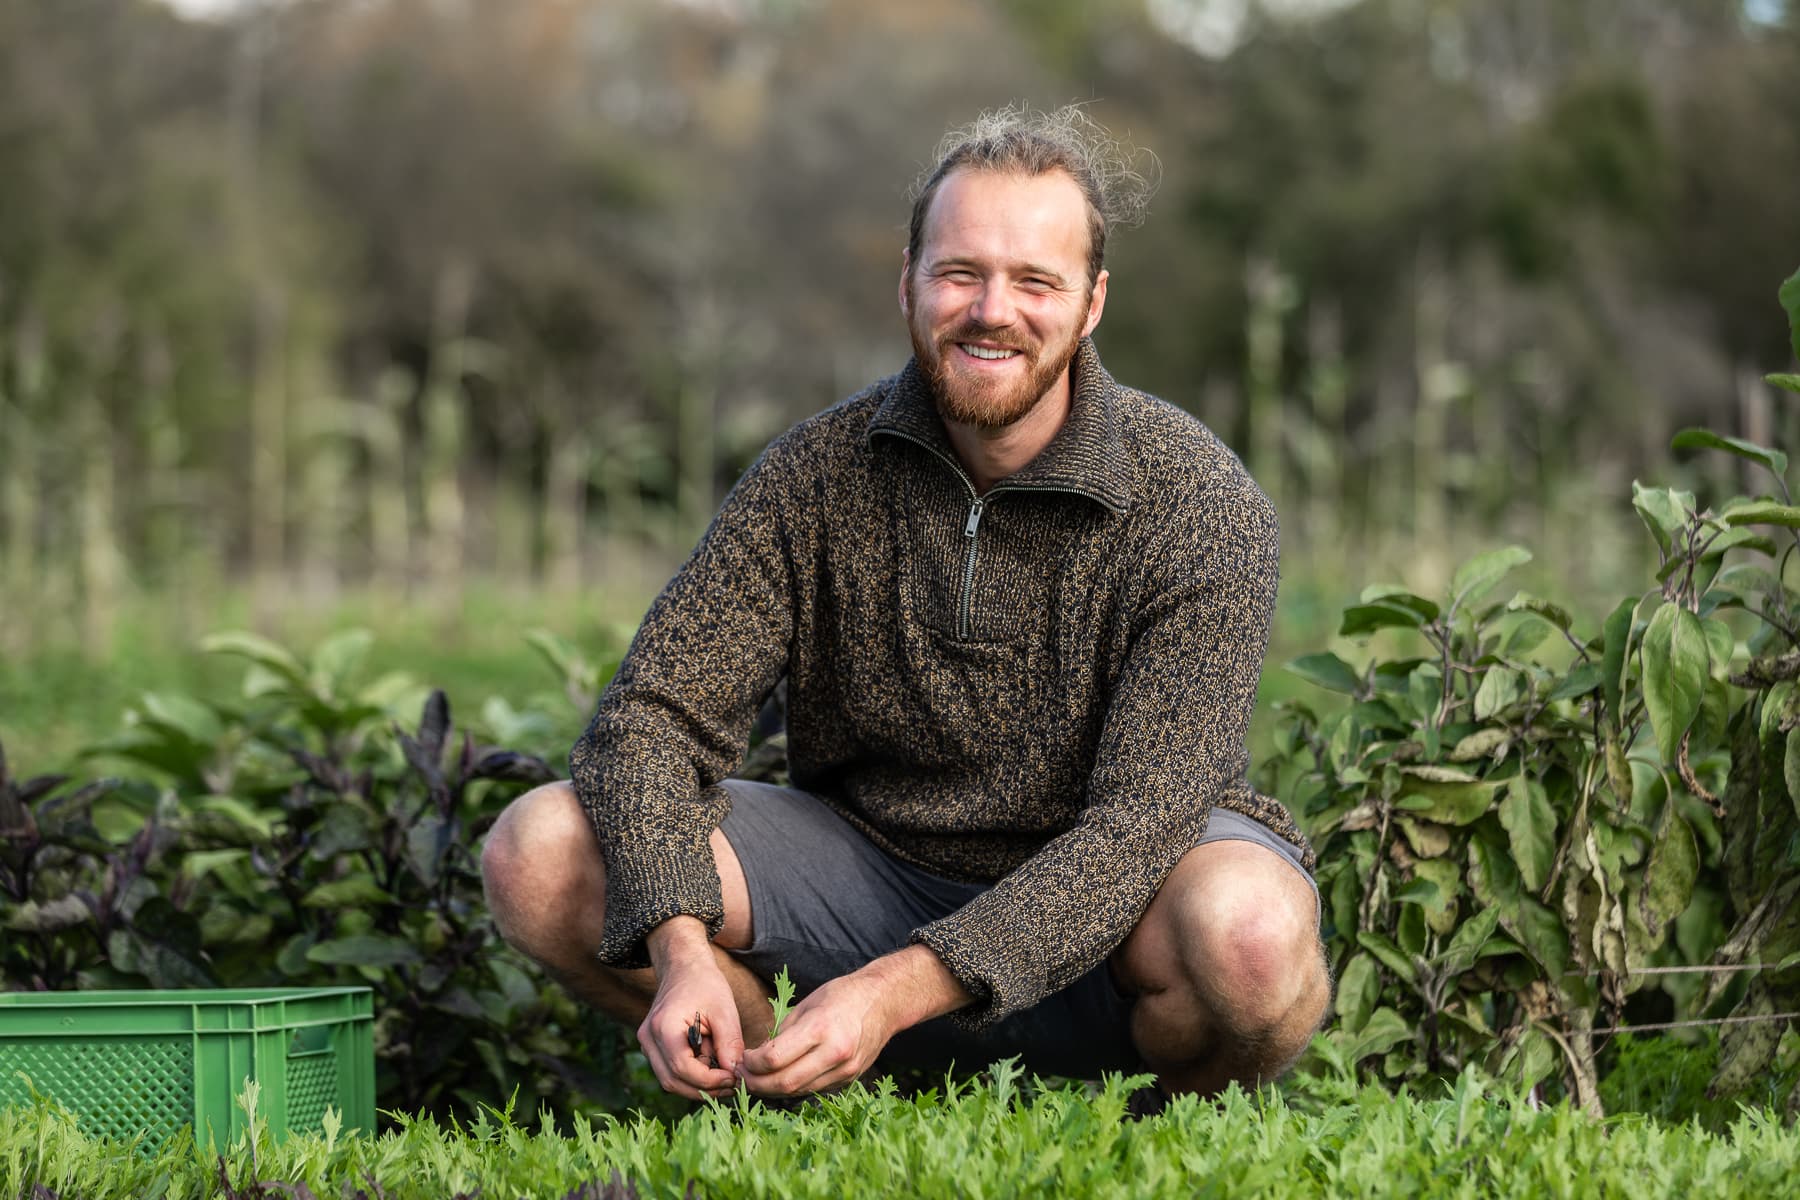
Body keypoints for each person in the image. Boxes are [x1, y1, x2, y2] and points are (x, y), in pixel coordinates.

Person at [481, 104, 1330, 1105]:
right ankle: (802, 1083)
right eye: (961, 272)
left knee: (1253, 936)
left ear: (1093, 302)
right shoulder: (814, 476)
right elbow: (651, 723)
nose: (992, 310)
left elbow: (1138, 829)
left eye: (1035, 281)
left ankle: (1163, 1128)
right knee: (540, 856)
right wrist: (676, 946)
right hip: (868, 871)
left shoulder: (1196, 501)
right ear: (909, 282)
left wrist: (897, 989)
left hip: (1115, 914)